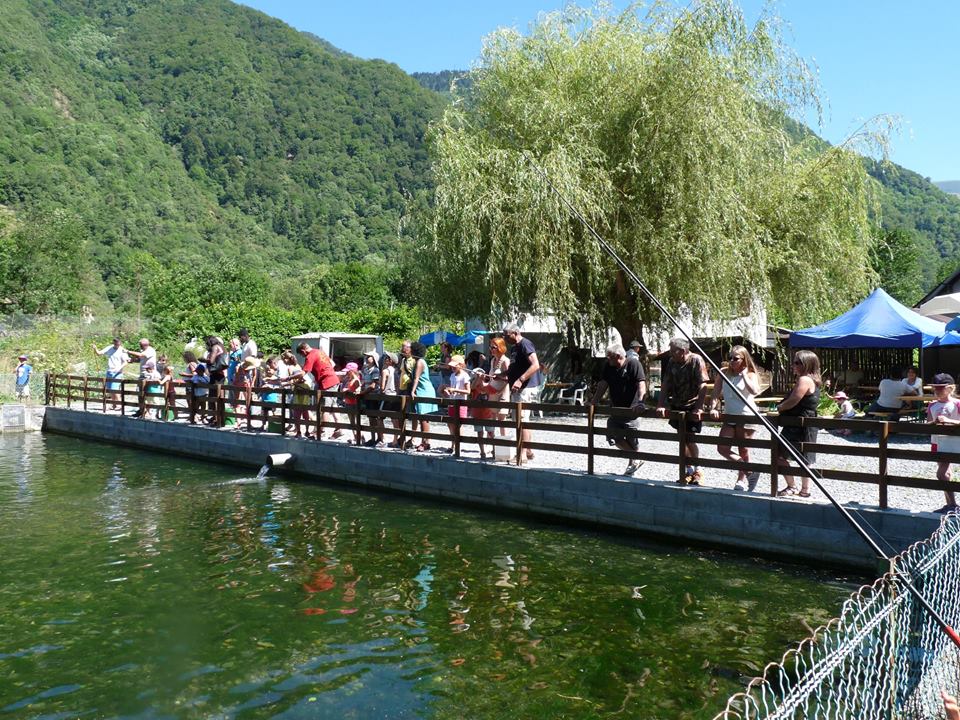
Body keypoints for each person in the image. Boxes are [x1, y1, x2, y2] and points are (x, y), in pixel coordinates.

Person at [588, 343, 647, 476]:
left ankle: (632, 463)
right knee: (614, 436)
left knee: (632, 439)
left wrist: (641, 402)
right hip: (615, 410)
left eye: (610, 357)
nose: (607, 360)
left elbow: (641, 383)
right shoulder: (609, 367)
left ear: (618, 356)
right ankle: (637, 458)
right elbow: (603, 384)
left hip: (631, 410)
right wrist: (594, 401)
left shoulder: (634, 364)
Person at [707, 345, 761, 491]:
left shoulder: (750, 374)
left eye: (735, 358)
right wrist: (713, 407)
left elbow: (755, 391)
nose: (731, 361)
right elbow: (715, 393)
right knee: (722, 447)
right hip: (730, 415)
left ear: (744, 359)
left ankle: (741, 480)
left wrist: (743, 375)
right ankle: (750, 471)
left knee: (743, 450)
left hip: (746, 416)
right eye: (729, 358)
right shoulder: (724, 372)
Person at [656, 338, 709, 485]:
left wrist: (699, 406)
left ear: (683, 351)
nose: (671, 353)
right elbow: (666, 383)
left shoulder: (696, 360)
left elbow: (703, 385)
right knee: (682, 439)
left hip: (692, 405)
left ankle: (698, 470)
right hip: (678, 405)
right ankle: (688, 471)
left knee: (690, 439)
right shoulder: (672, 362)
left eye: (673, 351)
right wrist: (661, 404)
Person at [776, 350, 822, 498]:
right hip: (805, 423)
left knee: (779, 455)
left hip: (799, 424)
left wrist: (780, 407)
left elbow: (794, 400)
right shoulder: (811, 379)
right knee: (804, 457)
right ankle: (804, 490)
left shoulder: (804, 380)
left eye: (797, 362)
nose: (793, 365)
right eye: (794, 362)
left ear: (807, 364)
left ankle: (793, 487)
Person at [503, 323, 542, 463]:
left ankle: (522, 455)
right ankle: (529, 450)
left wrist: (520, 380)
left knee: (522, 421)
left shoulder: (525, 344)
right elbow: (515, 367)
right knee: (521, 420)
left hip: (525, 388)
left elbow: (535, 365)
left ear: (515, 333)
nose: (504, 338)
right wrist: (501, 374)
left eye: (507, 335)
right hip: (518, 389)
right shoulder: (514, 348)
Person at [927, 372, 960, 513]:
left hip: (954, 442)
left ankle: (952, 504)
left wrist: (949, 422)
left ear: (950, 388)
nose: (937, 391)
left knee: (941, 474)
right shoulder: (932, 405)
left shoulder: (957, 404)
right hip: (937, 441)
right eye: (935, 388)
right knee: (944, 473)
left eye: (940, 388)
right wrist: (934, 423)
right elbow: (928, 422)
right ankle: (950, 504)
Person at [295, 342, 340, 438]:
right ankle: (339, 429)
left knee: (324, 408)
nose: (302, 357)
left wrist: (290, 378)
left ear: (303, 351)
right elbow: (332, 364)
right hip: (333, 380)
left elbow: (304, 372)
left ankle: (321, 432)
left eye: (301, 355)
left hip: (327, 382)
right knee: (333, 406)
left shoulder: (310, 356)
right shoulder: (320, 352)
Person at [410, 341, 438, 452]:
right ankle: (424, 441)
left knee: (424, 418)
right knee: (422, 417)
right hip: (422, 390)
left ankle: (425, 442)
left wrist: (412, 391)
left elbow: (416, 378)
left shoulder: (420, 362)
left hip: (424, 391)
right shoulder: (418, 361)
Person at [441, 355, 471, 453]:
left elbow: (468, 391)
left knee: (458, 425)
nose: (453, 367)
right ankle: (453, 443)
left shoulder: (465, 376)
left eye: (455, 366)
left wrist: (455, 390)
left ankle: (457, 445)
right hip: (452, 402)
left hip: (461, 403)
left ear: (461, 365)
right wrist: (447, 391)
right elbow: (451, 387)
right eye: (452, 366)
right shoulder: (452, 375)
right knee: (450, 423)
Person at [93, 338, 129, 410]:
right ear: (113, 343)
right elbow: (99, 353)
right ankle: (113, 404)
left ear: (120, 343)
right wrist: (95, 348)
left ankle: (119, 405)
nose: (117, 345)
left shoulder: (122, 351)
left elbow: (126, 362)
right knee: (110, 389)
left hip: (117, 372)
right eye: (115, 344)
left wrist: (119, 368)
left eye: (118, 344)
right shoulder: (109, 348)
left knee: (114, 388)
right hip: (109, 371)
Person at [358, 352, 382, 446]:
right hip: (368, 396)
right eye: (367, 356)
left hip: (373, 396)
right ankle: (373, 438)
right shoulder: (366, 370)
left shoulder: (375, 370)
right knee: (370, 418)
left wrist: (362, 393)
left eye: (370, 356)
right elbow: (364, 382)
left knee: (375, 418)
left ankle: (379, 439)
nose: (367, 358)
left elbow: (373, 385)